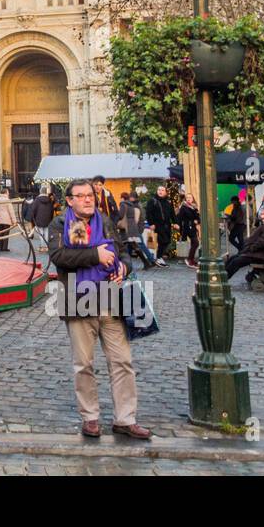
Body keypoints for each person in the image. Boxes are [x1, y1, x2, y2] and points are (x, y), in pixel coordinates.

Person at [49, 178, 150, 440]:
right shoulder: (60, 224)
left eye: (90, 194)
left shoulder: (105, 221)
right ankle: (90, 417)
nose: (88, 199)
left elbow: (123, 251)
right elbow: (59, 257)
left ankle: (125, 419)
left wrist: (123, 268)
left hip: (111, 299)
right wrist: (95, 255)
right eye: (80, 196)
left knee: (122, 361)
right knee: (83, 364)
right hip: (79, 300)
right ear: (69, 200)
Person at [224, 204, 264, 280]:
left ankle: (223, 279)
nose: (262, 216)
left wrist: (251, 248)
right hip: (258, 253)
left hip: (261, 255)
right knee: (233, 259)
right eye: (261, 214)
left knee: (236, 261)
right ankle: (222, 277)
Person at [117, 192, 165, 270]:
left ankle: (150, 261)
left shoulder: (135, 206)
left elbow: (136, 219)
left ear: (133, 198)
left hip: (135, 229)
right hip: (136, 229)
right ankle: (147, 262)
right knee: (134, 245)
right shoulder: (136, 205)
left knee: (139, 245)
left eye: (131, 197)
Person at [144, 185, 176, 261]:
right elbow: (148, 213)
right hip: (157, 225)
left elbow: (172, 214)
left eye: (162, 190)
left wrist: (175, 222)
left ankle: (158, 256)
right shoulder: (153, 200)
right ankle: (157, 257)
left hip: (166, 225)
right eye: (159, 190)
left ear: (165, 192)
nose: (160, 191)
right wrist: (151, 223)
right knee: (159, 241)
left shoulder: (168, 202)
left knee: (167, 241)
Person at [178, 194, 201, 269]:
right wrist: (180, 229)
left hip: (193, 228)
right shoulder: (183, 207)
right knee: (196, 243)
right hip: (187, 227)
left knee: (194, 243)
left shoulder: (194, 207)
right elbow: (179, 218)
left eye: (190, 198)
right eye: (187, 198)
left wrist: (197, 221)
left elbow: (198, 218)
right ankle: (189, 259)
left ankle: (191, 259)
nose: (188, 199)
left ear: (192, 199)